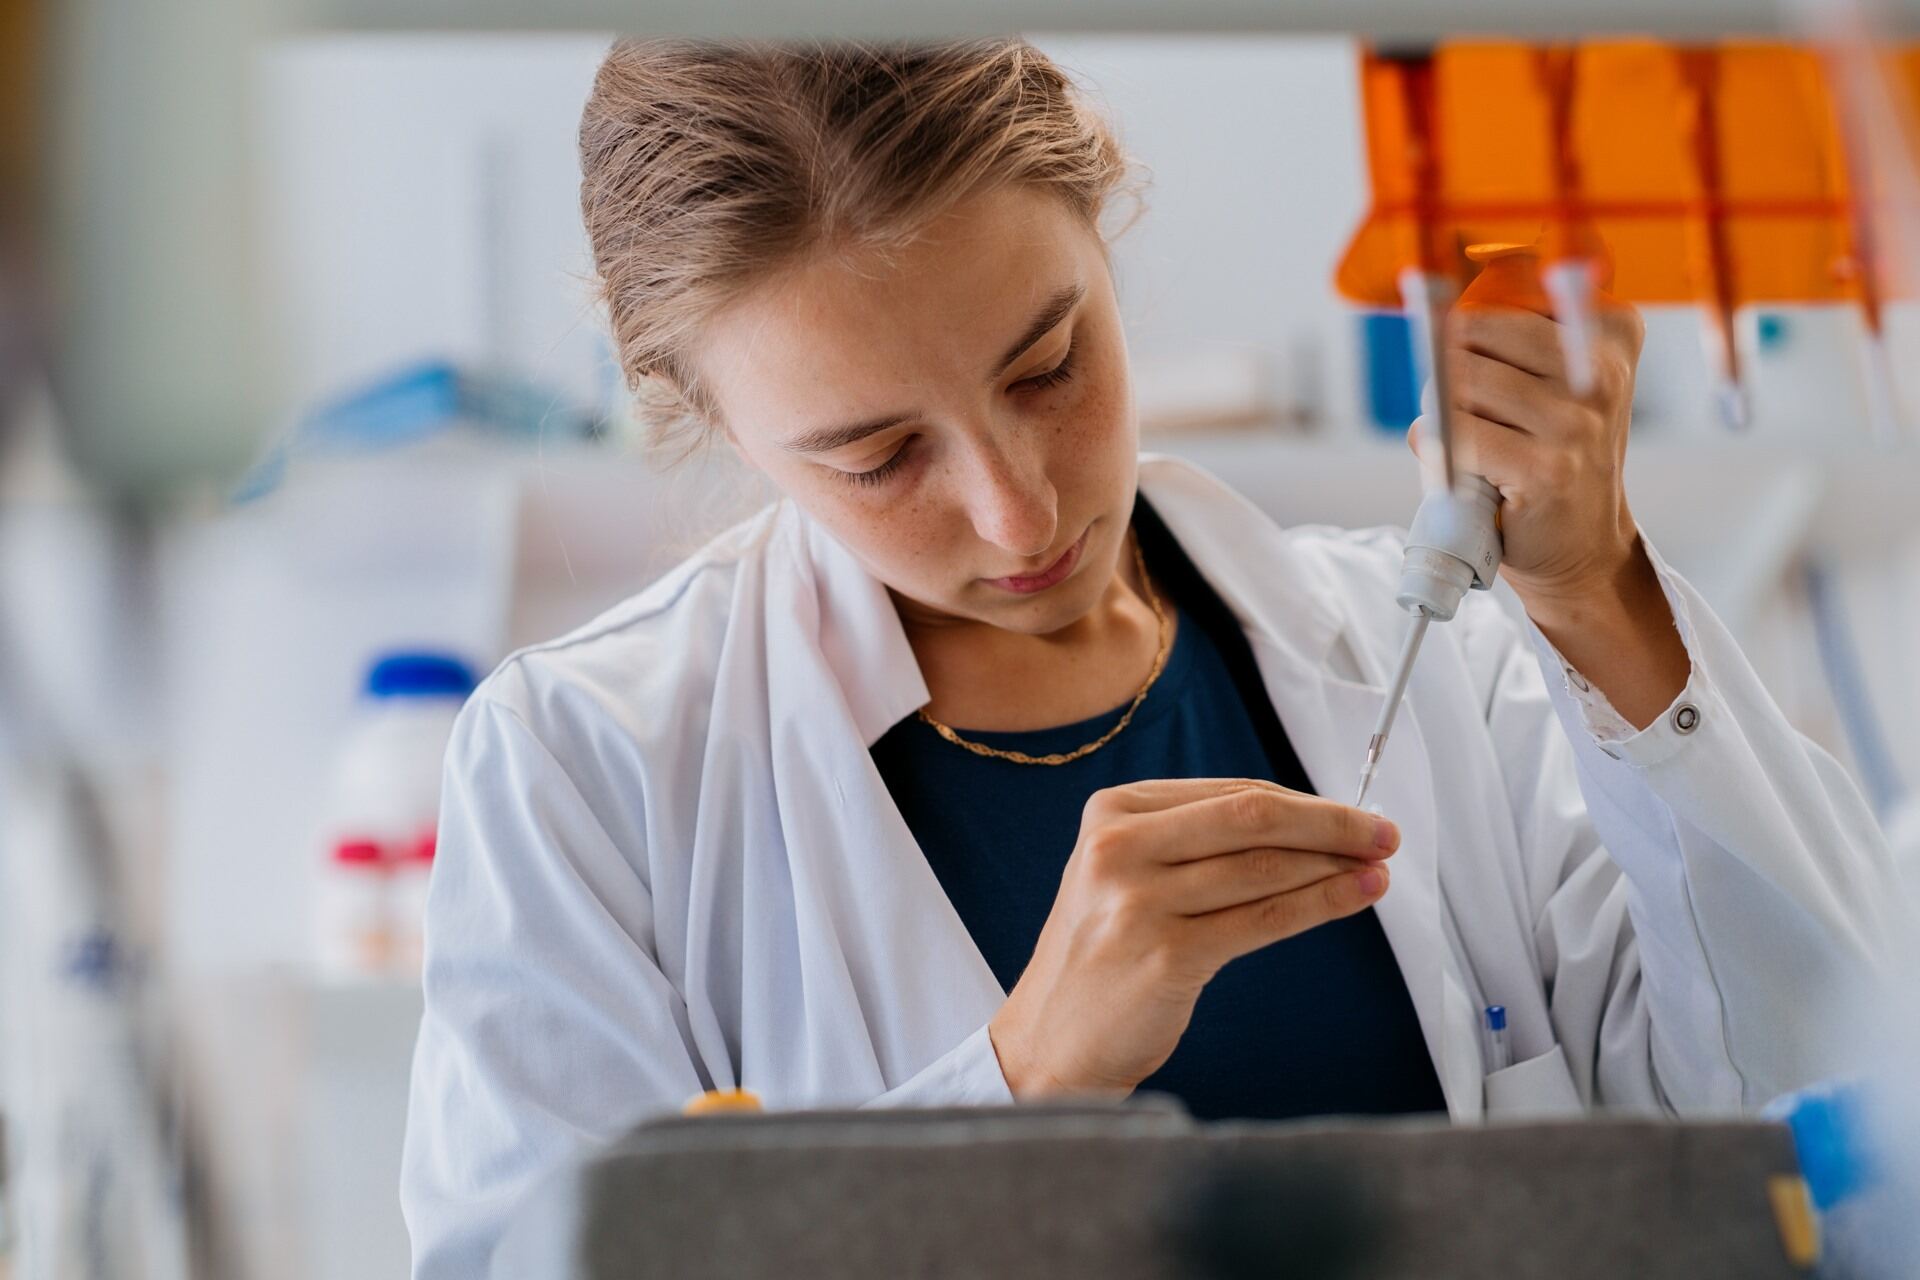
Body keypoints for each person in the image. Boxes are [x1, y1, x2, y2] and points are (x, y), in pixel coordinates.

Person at [399, 38, 1907, 1278]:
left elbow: (1836, 1137)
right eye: (874, 458)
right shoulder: (589, 769)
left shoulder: (1436, 669)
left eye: (1050, 367)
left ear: (1105, 229)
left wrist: (1594, 595)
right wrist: (1022, 1078)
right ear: (708, 420)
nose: (1017, 505)